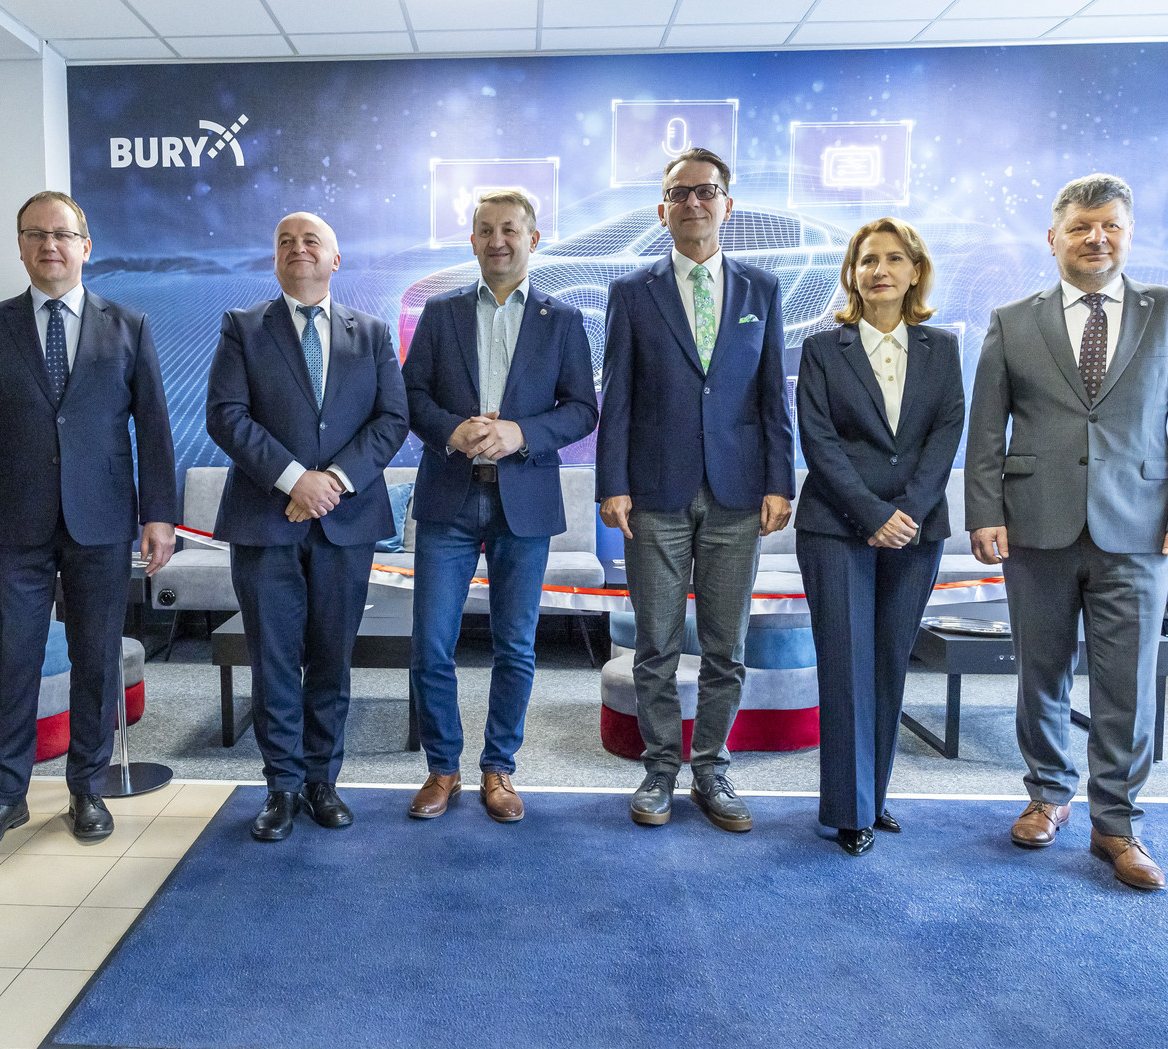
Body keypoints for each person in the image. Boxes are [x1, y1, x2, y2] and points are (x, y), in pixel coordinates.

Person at [966, 174, 1168, 891]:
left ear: (1129, 234)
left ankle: (1117, 822)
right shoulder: (1011, 320)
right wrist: (984, 511)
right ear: (1054, 238)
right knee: (1039, 672)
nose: (1095, 239)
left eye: (1109, 226)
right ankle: (1048, 794)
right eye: (1080, 227)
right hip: (1035, 525)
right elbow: (986, 428)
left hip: (1138, 530)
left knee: (1127, 683)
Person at [0, 191, 177, 853]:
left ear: (85, 246)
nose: (50, 245)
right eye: (36, 235)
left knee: (95, 660)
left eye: (63, 235)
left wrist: (160, 515)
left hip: (101, 522)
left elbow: (154, 428)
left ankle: (87, 788)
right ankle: (6, 796)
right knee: (15, 660)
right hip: (12, 524)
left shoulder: (128, 325)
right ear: (20, 247)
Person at [596, 147, 795, 830]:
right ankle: (660, 767)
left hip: (739, 492)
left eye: (706, 191)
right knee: (654, 644)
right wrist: (613, 482)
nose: (693, 203)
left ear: (726, 205)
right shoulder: (632, 292)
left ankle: (711, 767)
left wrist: (779, 481)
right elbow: (617, 395)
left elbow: (772, 395)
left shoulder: (762, 289)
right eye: (680, 193)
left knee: (725, 646)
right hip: (655, 490)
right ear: (662, 210)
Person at [206, 212, 408, 842]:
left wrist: (333, 482)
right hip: (265, 522)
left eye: (311, 241)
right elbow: (226, 416)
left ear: (335, 260)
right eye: (285, 242)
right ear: (275, 260)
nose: (299, 249)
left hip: (346, 524)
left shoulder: (371, 333)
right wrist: (296, 480)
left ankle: (323, 780)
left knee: (331, 659)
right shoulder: (242, 328)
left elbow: (392, 419)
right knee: (272, 660)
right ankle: (282, 787)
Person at [401, 190, 598, 823]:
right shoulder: (441, 313)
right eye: (485, 230)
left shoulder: (562, 320)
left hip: (525, 501)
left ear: (533, 240)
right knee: (432, 645)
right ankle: (442, 768)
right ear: (472, 241)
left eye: (510, 229)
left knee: (515, 646)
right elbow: (411, 396)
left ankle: (499, 768)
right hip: (449, 498)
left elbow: (582, 410)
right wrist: (451, 430)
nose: (497, 241)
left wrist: (521, 433)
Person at [794, 219, 965, 856]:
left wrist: (907, 513)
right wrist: (871, 515)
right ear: (852, 272)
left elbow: (946, 434)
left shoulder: (942, 348)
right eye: (868, 260)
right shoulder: (822, 349)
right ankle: (849, 810)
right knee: (846, 666)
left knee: (890, 661)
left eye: (894, 259)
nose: (880, 270)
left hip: (915, 531)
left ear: (915, 271)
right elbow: (818, 441)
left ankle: (875, 794)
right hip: (836, 527)